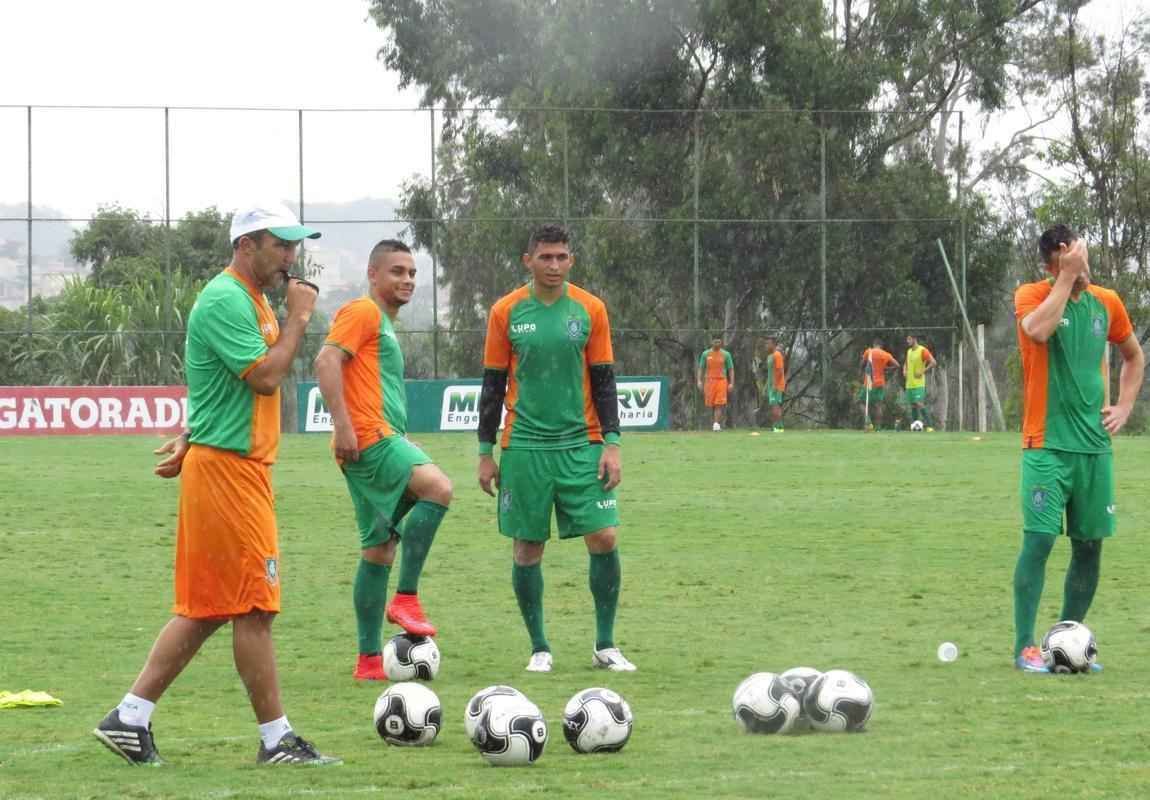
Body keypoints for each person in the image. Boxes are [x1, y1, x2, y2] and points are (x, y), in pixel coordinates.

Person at [93, 203, 339, 765]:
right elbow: (266, 377)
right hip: (229, 471)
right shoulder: (228, 299)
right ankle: (276, 740)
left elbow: (217, 385)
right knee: (254, 607)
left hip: (229, 464)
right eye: (281, 245)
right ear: (247, 245)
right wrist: (300, 318)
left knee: (208, 608)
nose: (291, 257)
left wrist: (192, 432)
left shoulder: (247, 300)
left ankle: (129, 717)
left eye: (294, 245)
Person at [476, 223, 634, 674]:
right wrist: (486, 451)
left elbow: (604, 380)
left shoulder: (590, 309)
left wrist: (613, 443)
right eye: (545, 257)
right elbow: (492, 384)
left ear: (572, 260)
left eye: (561, 257)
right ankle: (539, 647)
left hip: (582, 444)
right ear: (528, 260)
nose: (554, 265)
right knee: (528, 547)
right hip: (524, 446)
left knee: (604, 535)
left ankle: (605, 644)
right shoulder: (506, 311)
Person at [313, 239, 453, 681]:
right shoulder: (364, 312)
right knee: (439, 488)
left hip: (376, 436)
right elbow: (326, 360)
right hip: (370, 437)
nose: (407, 280)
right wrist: (342, 425)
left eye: (412, 273)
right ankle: (406, 598)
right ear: (373, 274)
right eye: (397, 271)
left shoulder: (384, 324)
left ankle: (369, 661)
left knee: (378, 549)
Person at [1011, 224, 1143, 673]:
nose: (1084, 258)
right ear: (1059, 258)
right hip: (1045, 446)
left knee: (1089, 547)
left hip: (1094, 449)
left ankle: (1068, 638)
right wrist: (1065, 279)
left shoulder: (1107, 302)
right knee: (1041, 539)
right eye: (1075, 253)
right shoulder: (1032, 294)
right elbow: (1038, 331)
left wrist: (1124, 407)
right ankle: (1025, 647)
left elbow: (1133, 356)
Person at [858, 339, 899, 430]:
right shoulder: (886, 354)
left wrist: (861, 372)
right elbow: (897, 365)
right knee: (878, 405)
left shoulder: (869, 351)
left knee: (861, 402)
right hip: (880, 382)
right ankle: (878, 428)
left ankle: (868, 423)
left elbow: (862, 364)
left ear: (874, 344)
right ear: (881, 346)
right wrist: (887, 369)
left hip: (869, 381)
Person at [697, 336, 735, 431]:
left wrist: (731, 383)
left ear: (721, 342)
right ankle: (714, 423)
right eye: (715, 342)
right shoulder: (705, 354)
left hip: (721, 381)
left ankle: (716, 424)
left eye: (719, 341)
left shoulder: (726, 354)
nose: (717, 343)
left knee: (719, 403)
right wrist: (699, 381)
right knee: (711, 404)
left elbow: (731, 369)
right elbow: (701, 368)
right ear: (711, 342)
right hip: (709, 381)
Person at [903, 334, 936, 431]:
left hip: (919, 384)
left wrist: (923, 371)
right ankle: (915, 427)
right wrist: (904, 370)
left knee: (919, 403)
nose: (907, 341)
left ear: (914, 339)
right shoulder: (909, 351)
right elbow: (906, 363)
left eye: (909, 339)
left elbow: (933, 362)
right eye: (907, 339)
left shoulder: (922, 350)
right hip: (909, 384)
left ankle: (930, 426)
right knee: (913, 405)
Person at [759, 336, 786, 432]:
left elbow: (779, 371)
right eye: (766, 343)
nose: (766, 345)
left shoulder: (777, 355)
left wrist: (775, 385)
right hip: (771, 385)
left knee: (775, 406)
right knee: (773, 406)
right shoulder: (769, 356)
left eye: (768, 343)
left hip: (777, 386)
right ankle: (776, 426)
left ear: (774, 344)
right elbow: (770, 373)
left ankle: (779, 427)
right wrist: (766, 386)